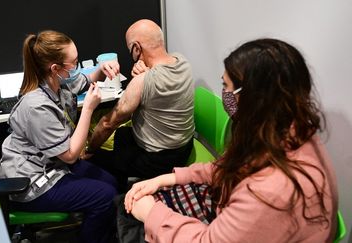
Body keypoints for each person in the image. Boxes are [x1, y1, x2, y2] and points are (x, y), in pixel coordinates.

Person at [124, 38, 339, 242]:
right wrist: (168, 179)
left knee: (130, 219)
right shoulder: (285, 131)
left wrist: (151, 213)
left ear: (254, 97)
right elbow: (233, 166)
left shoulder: (270, 193)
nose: (225, 94)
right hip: (233, 210)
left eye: (228, 87)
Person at [0, 30, 120, 243]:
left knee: (111, 182)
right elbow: (70, 155)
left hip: (53, 163)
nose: (77, 67)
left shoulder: (58, 81)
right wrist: (88, 109)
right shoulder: (37, 106)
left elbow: (85, 80)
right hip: (31, 181)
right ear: (56, 68)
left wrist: (101, 70)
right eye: (74, 62)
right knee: (104, 197)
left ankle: (98, 232)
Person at [83, 19, 195, 190]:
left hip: (158, 159)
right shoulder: (183, 61)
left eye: (131, 50)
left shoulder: (143, 81)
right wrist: (146, 74)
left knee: (100, 155)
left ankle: (121, 196)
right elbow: (160, 86)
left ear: (136, 48)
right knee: (122, 135)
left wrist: (90, 149)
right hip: (185, 146)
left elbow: (107, 123)